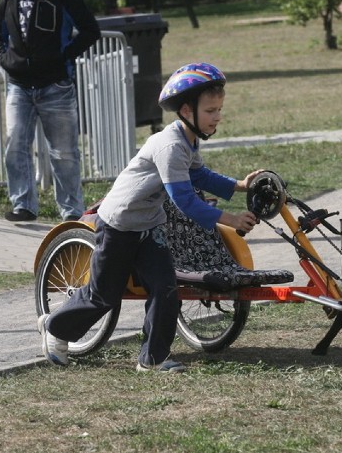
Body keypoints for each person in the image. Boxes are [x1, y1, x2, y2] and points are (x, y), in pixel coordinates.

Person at [38, 63, 261, 372]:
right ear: (186, 110)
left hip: (149, 224)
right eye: (211, 111)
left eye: (219, 109)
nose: (218, 117)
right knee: (104, 296)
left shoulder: (189, 139)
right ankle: (55, 327)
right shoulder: (169, 145)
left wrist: (237, 185)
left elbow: (199, 175)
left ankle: (153, 360)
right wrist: (231, 219)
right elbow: (184, 200)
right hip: (118, 224)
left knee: (165, 289)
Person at [0, 0, 100, 222]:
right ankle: (23, 206)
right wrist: (6, 60)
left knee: (64, 153)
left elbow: (90, 30)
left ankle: (71, 213)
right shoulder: (8, 0)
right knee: (15, 145)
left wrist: (63, 55)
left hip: (56, 86)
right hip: (18, 86)